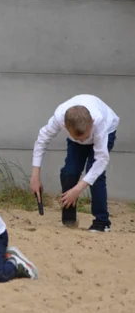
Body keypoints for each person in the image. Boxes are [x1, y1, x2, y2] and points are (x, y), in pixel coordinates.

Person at [30, 94, 119, 232]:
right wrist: (35, 177)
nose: (84, 142)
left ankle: (102, 221)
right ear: (65, 126)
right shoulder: (59, 117)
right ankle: (69, 220)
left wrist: (77, 190)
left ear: (92, 121)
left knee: (95, 175)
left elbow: (102, 159)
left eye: (86, 138)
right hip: (76, 135)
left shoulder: (99, 121)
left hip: (107, 130)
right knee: (69, 172)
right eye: (80, 139)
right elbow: (41, 141)